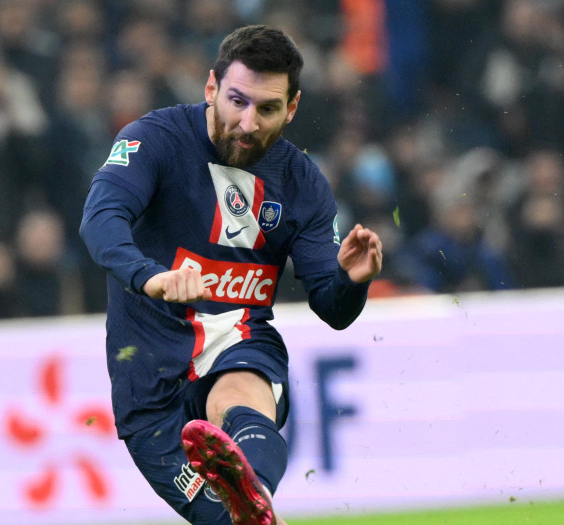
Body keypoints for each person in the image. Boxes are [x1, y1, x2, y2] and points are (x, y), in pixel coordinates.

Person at [79, 26, 382, 525]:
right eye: (237, 101)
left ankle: (249, 487)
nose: (247, 122)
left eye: (266, 109)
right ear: (210, 88)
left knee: (237, 397)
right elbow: (100, 220)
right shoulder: (153, 139)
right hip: (150, 384)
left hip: (238, 339)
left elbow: (332, 307)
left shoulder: (302, 184)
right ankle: (248, 504)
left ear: (291, 108)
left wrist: (352, 281)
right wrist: (149, 276)